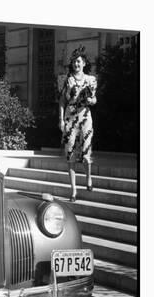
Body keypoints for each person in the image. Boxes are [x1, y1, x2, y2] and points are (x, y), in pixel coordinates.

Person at [58, 46, 97, 202]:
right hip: (70, 118)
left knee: (86, 153)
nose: (76, 64)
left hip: (85, 117)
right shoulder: (66, 80)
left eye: (79, 61)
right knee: (71, 155)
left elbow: (95, 100)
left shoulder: (91, 79)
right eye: (74, 62)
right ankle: (73, 191)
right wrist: (61, 120)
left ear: (84, 63)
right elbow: (62, 101)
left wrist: (90, 100)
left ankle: (88, 178)